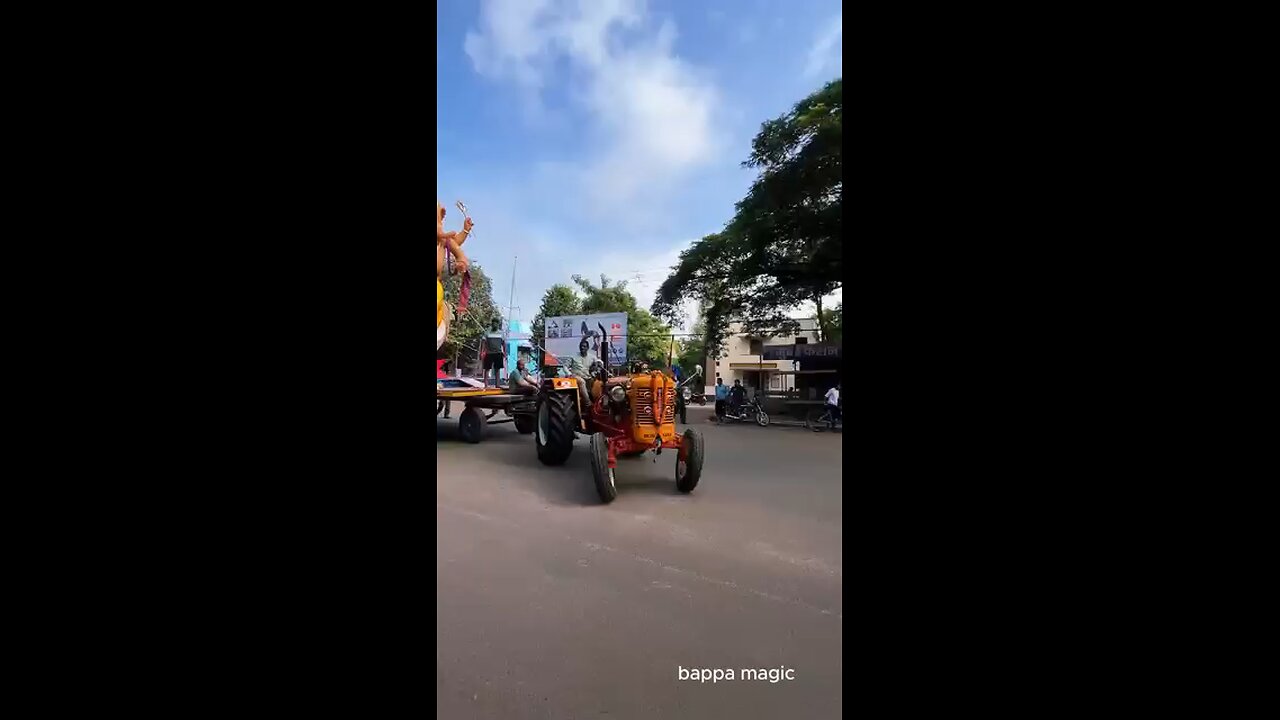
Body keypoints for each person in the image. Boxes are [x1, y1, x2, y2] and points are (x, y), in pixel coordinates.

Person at [482, 319, 505, 388]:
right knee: (487, 369)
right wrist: (483, 351)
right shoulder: (487, 332)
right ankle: (486, 385)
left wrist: (504, 352)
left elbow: (504, 343)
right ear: (492, 324)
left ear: (498, 324)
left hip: (498, 353)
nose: (494, 324)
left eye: (496, 323)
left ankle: (497, 385)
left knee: (497, 369)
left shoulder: (501, 333)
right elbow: (483, 342)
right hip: (489, 353)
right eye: (493, 323)